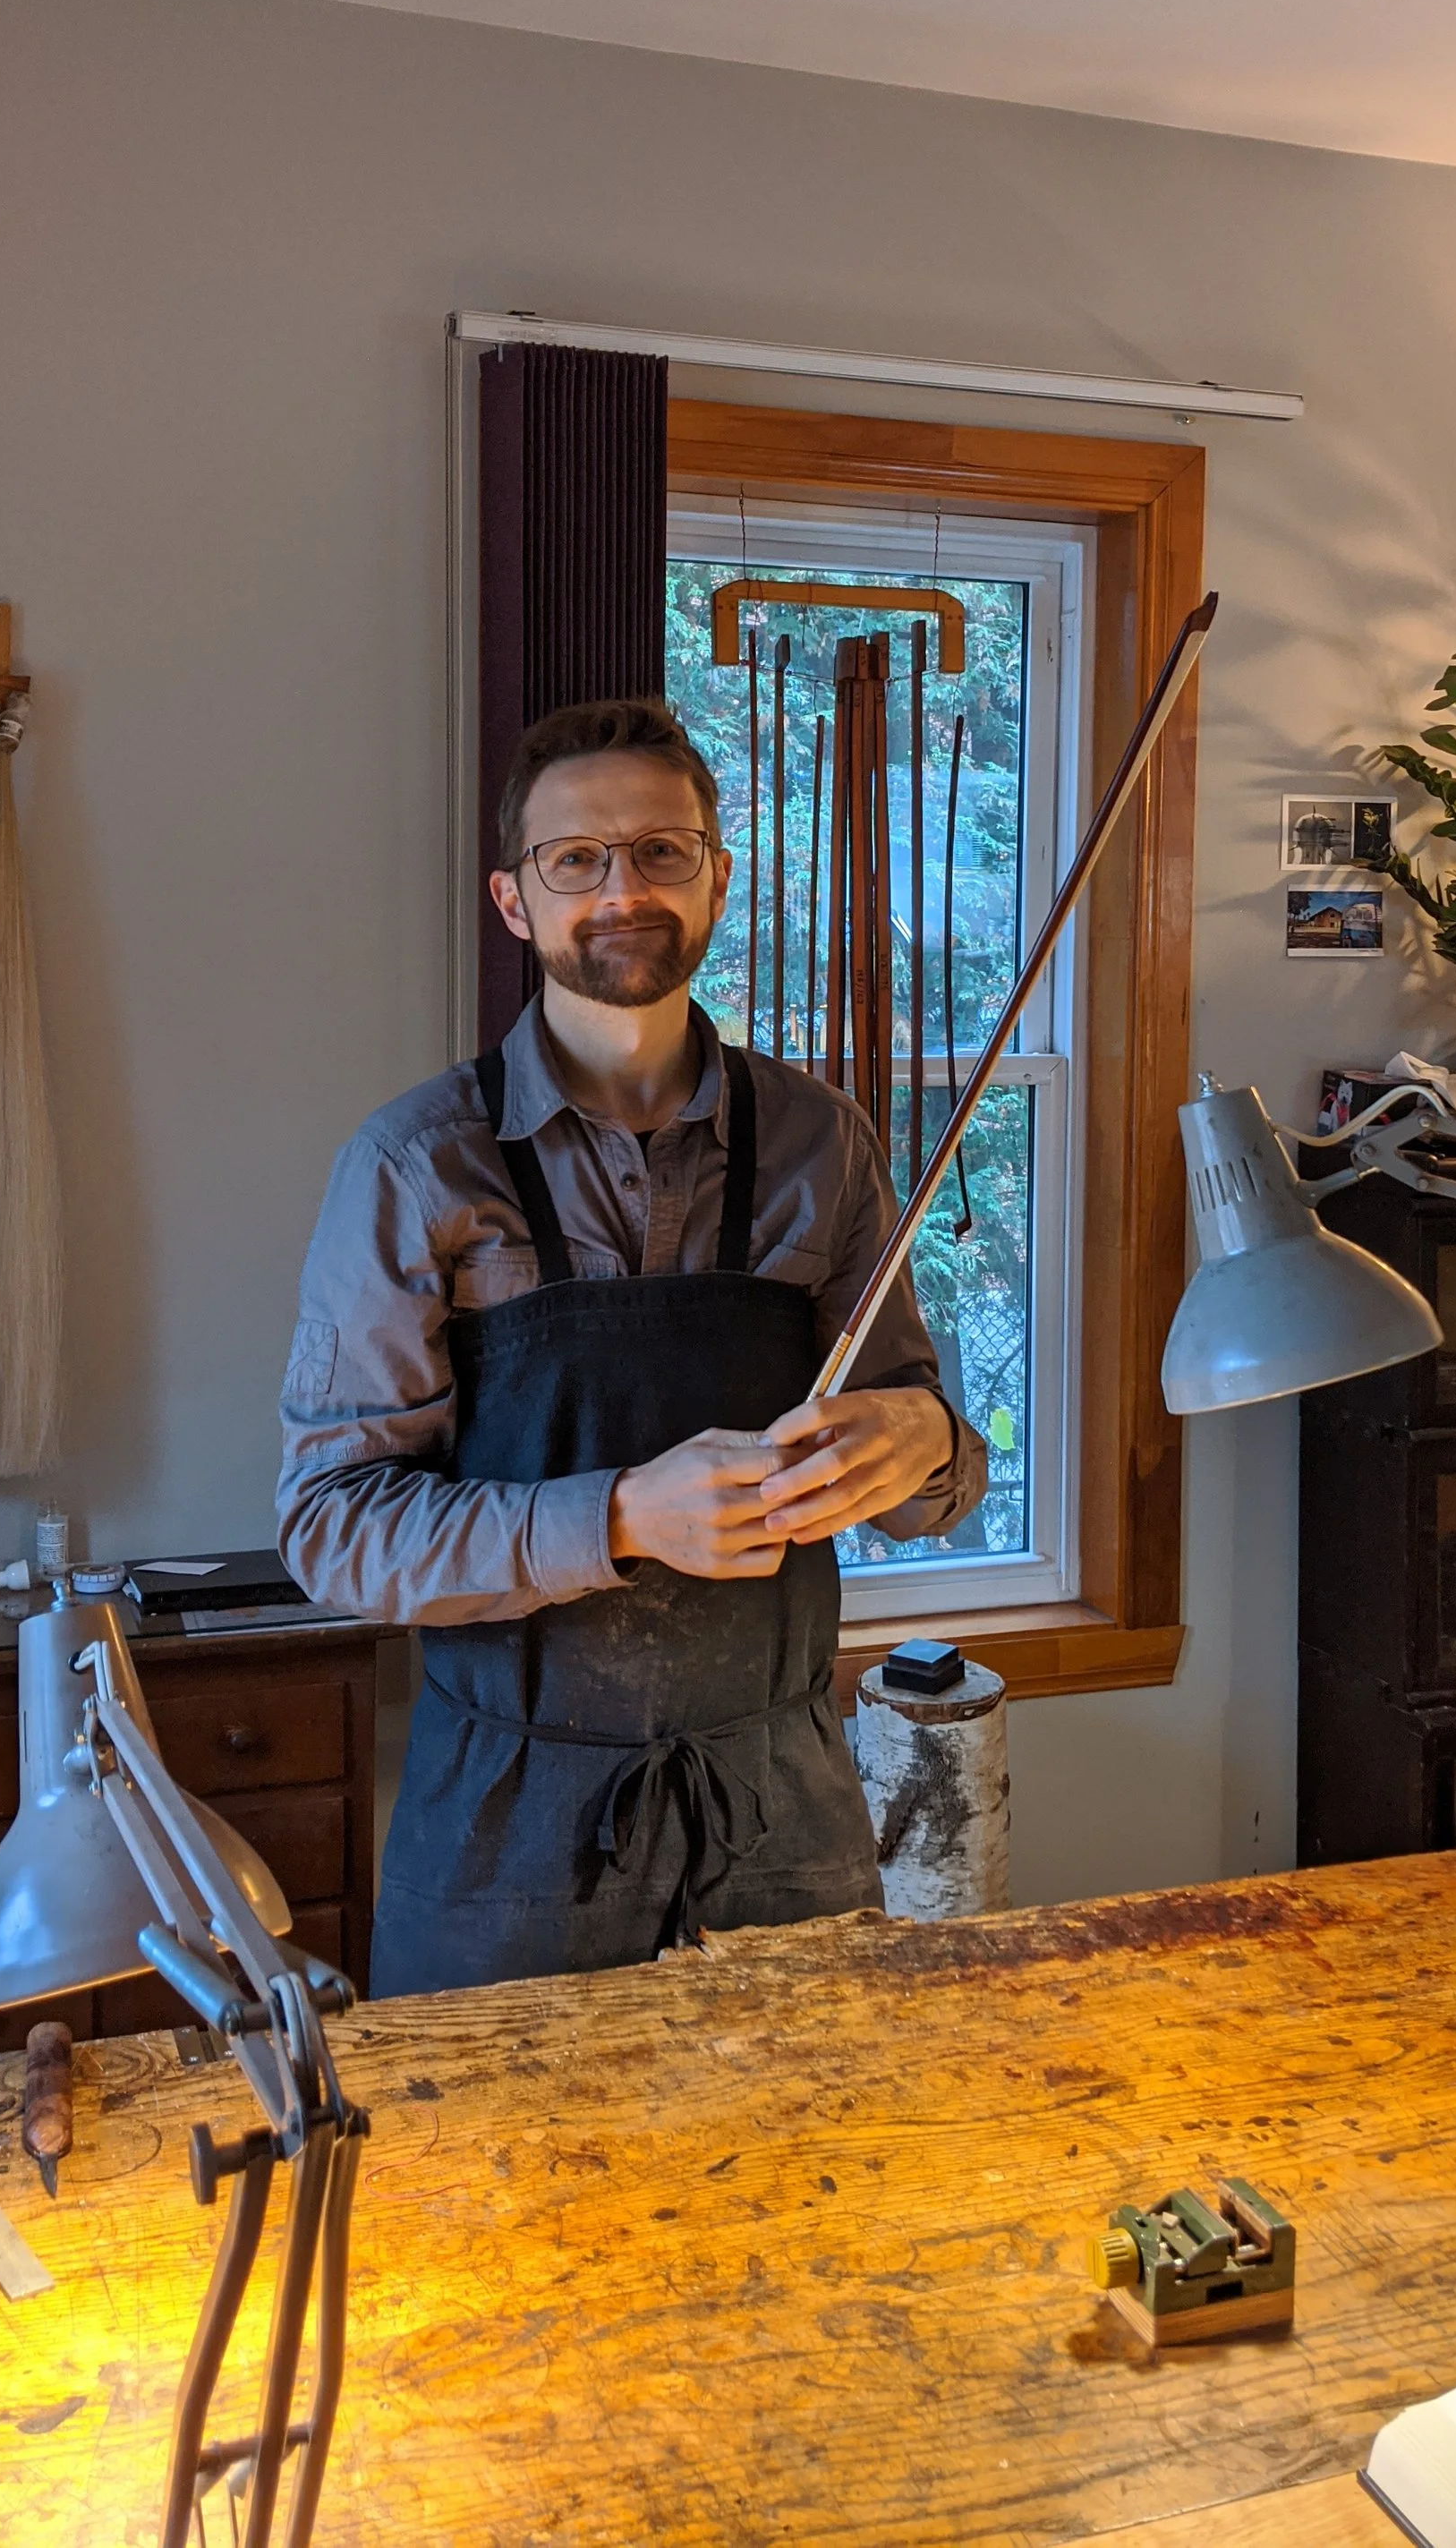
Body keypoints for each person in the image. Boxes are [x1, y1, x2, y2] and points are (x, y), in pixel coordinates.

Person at [277, 694, 988, 1994]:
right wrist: (615, 1518)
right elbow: (332, 1524)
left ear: (718, 876)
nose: (625, 889)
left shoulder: (821, 1142)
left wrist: (925, 1443)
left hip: (783, 1804)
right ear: (515, 901)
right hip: (511, 1824)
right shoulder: (414, 1166)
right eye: (578, 860)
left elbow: (933, 1462)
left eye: (663, 851)